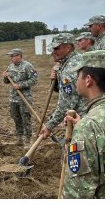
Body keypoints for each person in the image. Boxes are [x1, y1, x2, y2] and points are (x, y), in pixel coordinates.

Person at [61, 50, 104, 199]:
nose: (76, 80)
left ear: (88, 80)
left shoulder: (88, 126)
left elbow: (78, 192)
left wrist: (83, 128)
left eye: (78, 75)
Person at [40, 33, 85, 139]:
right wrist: (56, 80)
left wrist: (49, 125)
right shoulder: (78, 58)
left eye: (56, 49)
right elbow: (64, 90)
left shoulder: (69, 69)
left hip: (81, 118)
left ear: (68, 47)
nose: (53, 52)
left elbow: (67, 103)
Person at [2, 48, 39, 145]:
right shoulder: (10, 66)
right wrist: (5, 77)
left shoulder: (27, 66)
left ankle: (28, 139)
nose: (11, 58)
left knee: (26, 118)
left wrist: (20, 85)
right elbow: (6, 82)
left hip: (24, 98)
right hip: (13, 98)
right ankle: (20, 137)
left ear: (19, 56)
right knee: (16, 117)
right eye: (10, 56)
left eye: (12, 56)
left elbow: (34, 80)